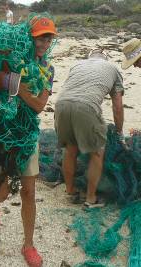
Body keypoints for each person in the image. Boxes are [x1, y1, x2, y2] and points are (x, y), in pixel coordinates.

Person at [0, 15, 57, 267]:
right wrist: (2, 79)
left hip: (28, 136)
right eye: (39, 38)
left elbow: (38, 105)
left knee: (28, 191)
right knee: (1, 189)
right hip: (4, 132)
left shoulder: (49, 70)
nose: (43, 43)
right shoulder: (12, 61)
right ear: (29, 37)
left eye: (48, 38)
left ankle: (29, 244)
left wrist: (13, 83)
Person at [54, 49, 124, 208]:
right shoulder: (112, 68)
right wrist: (119, 132)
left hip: (61, 105)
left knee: (70, 149)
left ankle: (70, 191)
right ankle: (91, 199)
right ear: (105, 58)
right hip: (86, 106)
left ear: (89, 57)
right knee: (97, 152)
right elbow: (117, 106)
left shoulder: (77, 65)